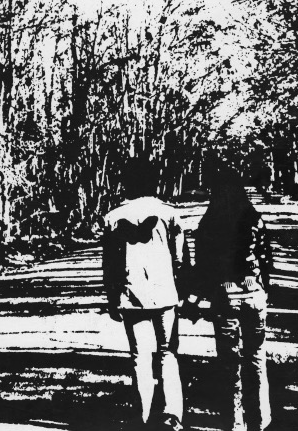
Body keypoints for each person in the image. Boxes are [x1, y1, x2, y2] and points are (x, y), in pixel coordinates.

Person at [187, 164, 272, 431]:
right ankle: (260, 420)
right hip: (254, 294)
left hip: (226, 297)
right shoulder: (254, 218)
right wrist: (263, 287)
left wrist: (195, 298)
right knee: (256, 358)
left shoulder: (209, 222)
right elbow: (266, 258)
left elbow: (202, 267)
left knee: (229, 364)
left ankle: (234, 423)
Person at [102, 158, 184, 431]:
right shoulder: (169, 213)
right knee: (168, 353)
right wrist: (184, 291)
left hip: (130, 296)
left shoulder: (113, 217)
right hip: (165, 295)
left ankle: (143, 416)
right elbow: (180, 258)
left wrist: (112, 297)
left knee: (140, 356)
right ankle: (171, 414)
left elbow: (109, 265)